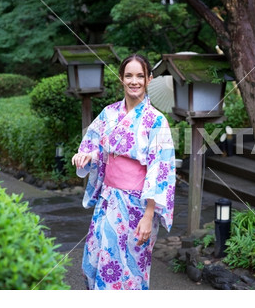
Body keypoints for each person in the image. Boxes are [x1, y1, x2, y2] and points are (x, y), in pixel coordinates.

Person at [71, 54, 176, 290]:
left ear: (149, 79)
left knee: (129, 270)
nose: (134, 81)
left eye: (140, 75)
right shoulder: (109, 114)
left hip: (137, 206)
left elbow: (161, 171)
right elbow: (94, 147)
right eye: (129, 75)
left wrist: (149, 216)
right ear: (121, 79)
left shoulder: (156, 121)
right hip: (109, 200)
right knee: (96, 261)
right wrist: (86, 156)